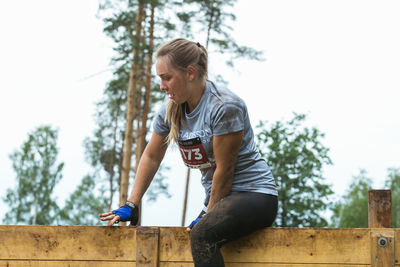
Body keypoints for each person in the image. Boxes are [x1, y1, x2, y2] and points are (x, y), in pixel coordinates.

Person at [99, 38, 278, 267]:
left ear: (190, 73)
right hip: (220, 198)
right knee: (196, 237)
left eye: (166, 78)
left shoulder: (224, 107)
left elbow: (224, 172)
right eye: (160, 79)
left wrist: (207, 215)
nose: (162, 86)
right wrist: (131, 204)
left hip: (255, 195)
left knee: (201, 235)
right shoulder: (170, 110)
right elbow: (152, 156)